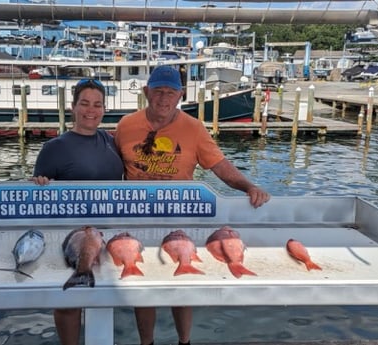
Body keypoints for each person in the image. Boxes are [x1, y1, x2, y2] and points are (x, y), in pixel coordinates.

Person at [114, 65, 270, 345]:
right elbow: (108, 166)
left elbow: (219, 165)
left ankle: (184, 341)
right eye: (158, 91)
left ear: (180, 95)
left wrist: (248, 186)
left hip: (179, 216)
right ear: (147, 92)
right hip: (136, 216)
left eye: (170, 92)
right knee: (141, 283)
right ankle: (146, 342)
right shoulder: (126, 125)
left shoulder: (194, 128)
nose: (163, 98)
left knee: (182, 284)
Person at [31, 78, 124, 345]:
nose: (90, 110)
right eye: (84, 103)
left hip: (107, 232)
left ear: (104, 109)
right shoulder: (54, 148)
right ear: (73, 107)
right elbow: (38, 199)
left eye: (97, 104)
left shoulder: (110, 139)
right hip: (71, 236)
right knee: (69, 301)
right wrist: (40, 184)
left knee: (103, 296)